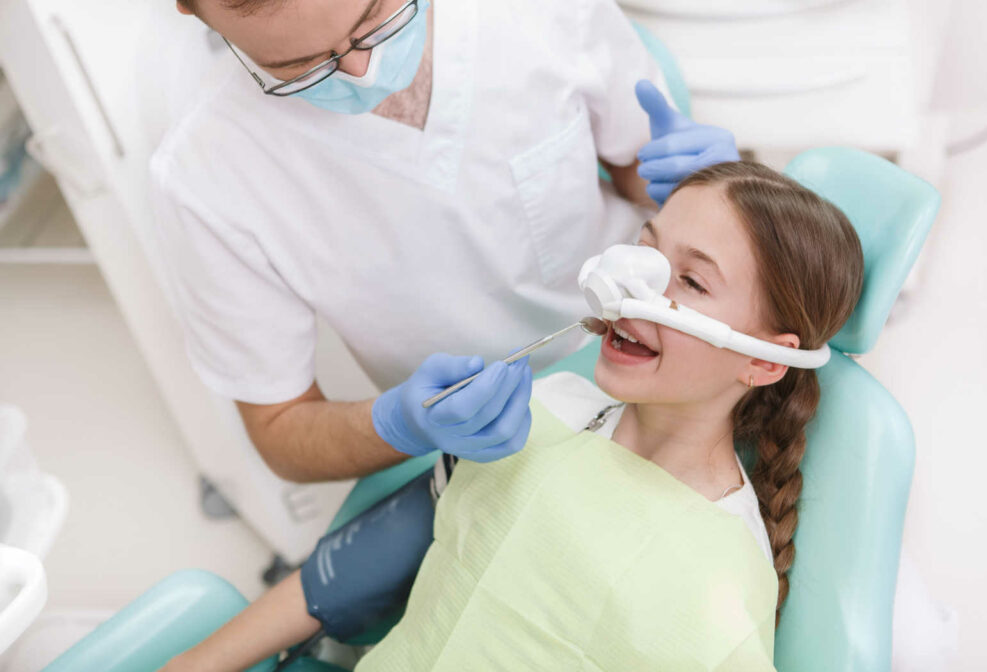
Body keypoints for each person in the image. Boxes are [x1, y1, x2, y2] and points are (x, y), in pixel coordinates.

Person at [159, 161, 864, 671]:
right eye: (646, 251)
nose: (631, 286)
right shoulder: (542, 411)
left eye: (691, 280)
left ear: (765, 362)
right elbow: (366, 564)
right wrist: (198, 663)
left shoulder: (716, 593)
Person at [153, 0, 740, 481]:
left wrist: (699, 185)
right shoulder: (204, 177)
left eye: (374, 19)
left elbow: (636, 168)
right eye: (302, 66)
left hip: (669, 355)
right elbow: (281, 429)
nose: (362, 71)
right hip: (494, 448)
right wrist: (401, 424)